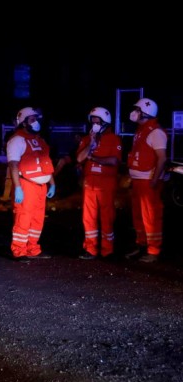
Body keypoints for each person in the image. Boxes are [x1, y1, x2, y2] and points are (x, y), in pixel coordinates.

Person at [6, 107, 56, 263]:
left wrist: (52, 183)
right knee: (23, 218)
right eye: (32, 119)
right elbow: (13, 165)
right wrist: (18, 187)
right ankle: (19, 250)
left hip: (41, 187)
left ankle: (33, 249)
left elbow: (47, 163)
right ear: (24, 122)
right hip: (26, 184)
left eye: (37, 119)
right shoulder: (17, 140)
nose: (36, 122)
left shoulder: (40, 140)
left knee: (37, 219)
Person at [76, 107, 122, 260]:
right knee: (88, 216)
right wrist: (91, 143)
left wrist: (94, 158)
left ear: (105, 123)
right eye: (92, 121)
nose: (94, 124)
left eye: (97, 122)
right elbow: (79, 159)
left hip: (106, 182)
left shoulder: (114, 139)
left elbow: (114, 160)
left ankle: (107, 250)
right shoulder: (86, 139)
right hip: (89, 181)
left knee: (107, 216)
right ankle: (90, 249)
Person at [125, 98, 167, 263]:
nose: (134, 112)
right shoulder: (141, 130)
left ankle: (153, 250)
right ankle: (142, 245)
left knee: (151, 216)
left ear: (145, 112)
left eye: (137, 109)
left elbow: (162, 159)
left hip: (148, 182)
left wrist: (155, 180)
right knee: (138, 216)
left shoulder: (155, 132)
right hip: (138, 181)